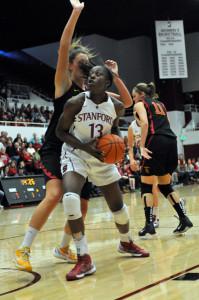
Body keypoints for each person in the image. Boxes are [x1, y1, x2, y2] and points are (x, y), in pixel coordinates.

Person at [13, 0, 133, 273]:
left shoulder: (93, 93)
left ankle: (64, 247)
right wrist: (76, 12)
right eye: (83, 63)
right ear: (70, 66)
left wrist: (116, 76)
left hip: (85, 153)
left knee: (82, 205)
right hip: (58, 147)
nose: (88, 66)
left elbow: (125, 102)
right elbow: (64, 46)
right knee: (56, 194)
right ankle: (24, 249)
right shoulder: (64, 84)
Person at [56, 64, 149, 281]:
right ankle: (83, 257)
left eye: (98, 74)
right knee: (70, 199)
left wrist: (118, 147)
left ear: (107, 83)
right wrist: (86, 147)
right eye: (91, 74)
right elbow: (60, 131)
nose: (92, 76)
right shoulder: (76, 102)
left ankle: (125, 242)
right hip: (76, 153)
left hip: (101, 158)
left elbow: (115, 128)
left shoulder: (116, 106)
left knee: (119, 208)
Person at [132, 82, 192, 236]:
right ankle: (184, 218)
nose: (133, 99)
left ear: (141, 95)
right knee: (165, 186)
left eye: (134, 96)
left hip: (156, 142)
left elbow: (144, 123)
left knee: (146, 186)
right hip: (171, 142)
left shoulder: (140, 104)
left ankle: (149, 224)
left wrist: (142, 146)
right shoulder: (161, 105)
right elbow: (167, 124)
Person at [128, 111, 160, 228]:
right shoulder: (132, 127)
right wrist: (132, 160)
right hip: (144, 159)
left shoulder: (150, 124)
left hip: (156, 155)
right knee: (157, 187)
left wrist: (144, 141)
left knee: (153, 188)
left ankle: (155, 217)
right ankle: (178, 201)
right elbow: (130, 147)